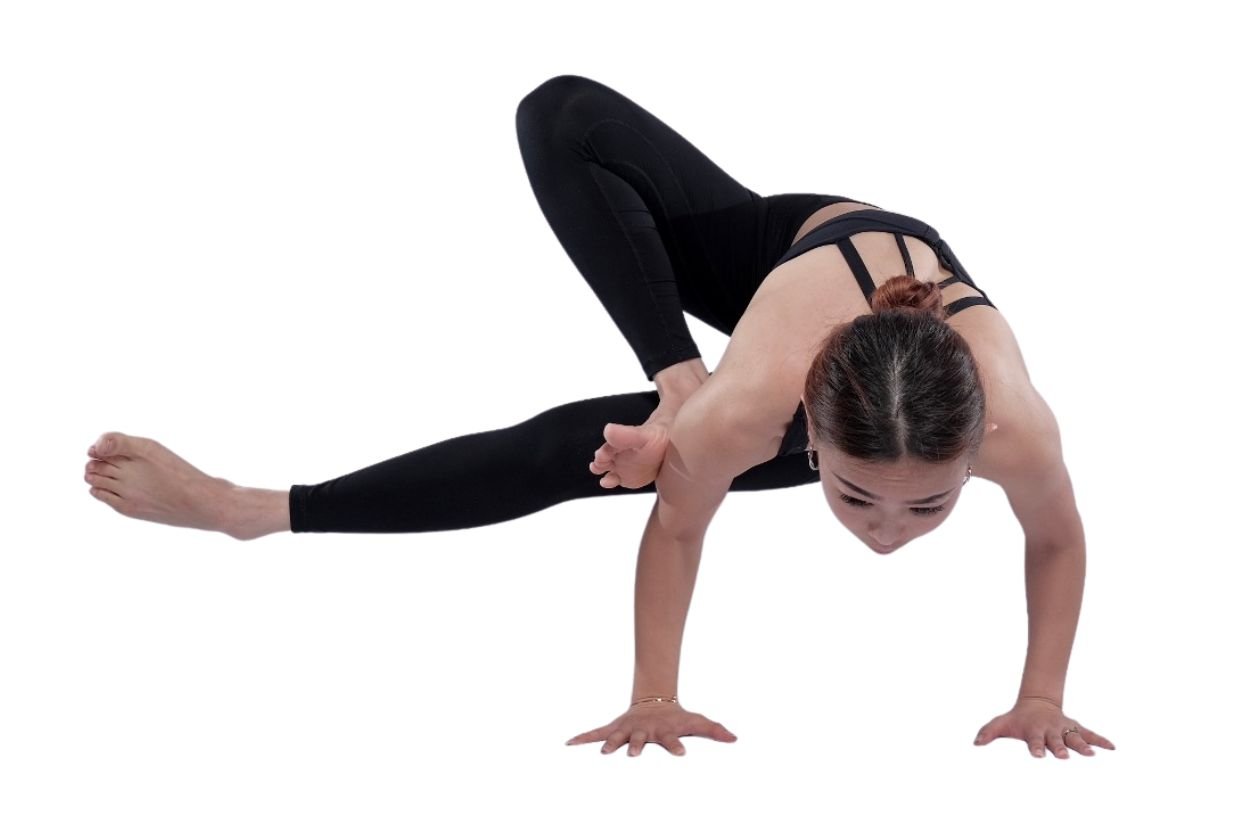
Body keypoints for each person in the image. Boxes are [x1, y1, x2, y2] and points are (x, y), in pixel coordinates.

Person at [84, 74, 1115, 761]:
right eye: (854, 496)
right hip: (798, 250)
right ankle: (249, 506)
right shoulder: (757, 400)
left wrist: (1041, 693)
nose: (886, 533)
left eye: (926, 506)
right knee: (562, 120)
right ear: (806, 426)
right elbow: (677, 522)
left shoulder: (1013, 421)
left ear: (975, 448)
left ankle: (251, 507)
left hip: (851, 336)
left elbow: (1058, 535)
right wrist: (686, 406)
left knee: (597, 454)